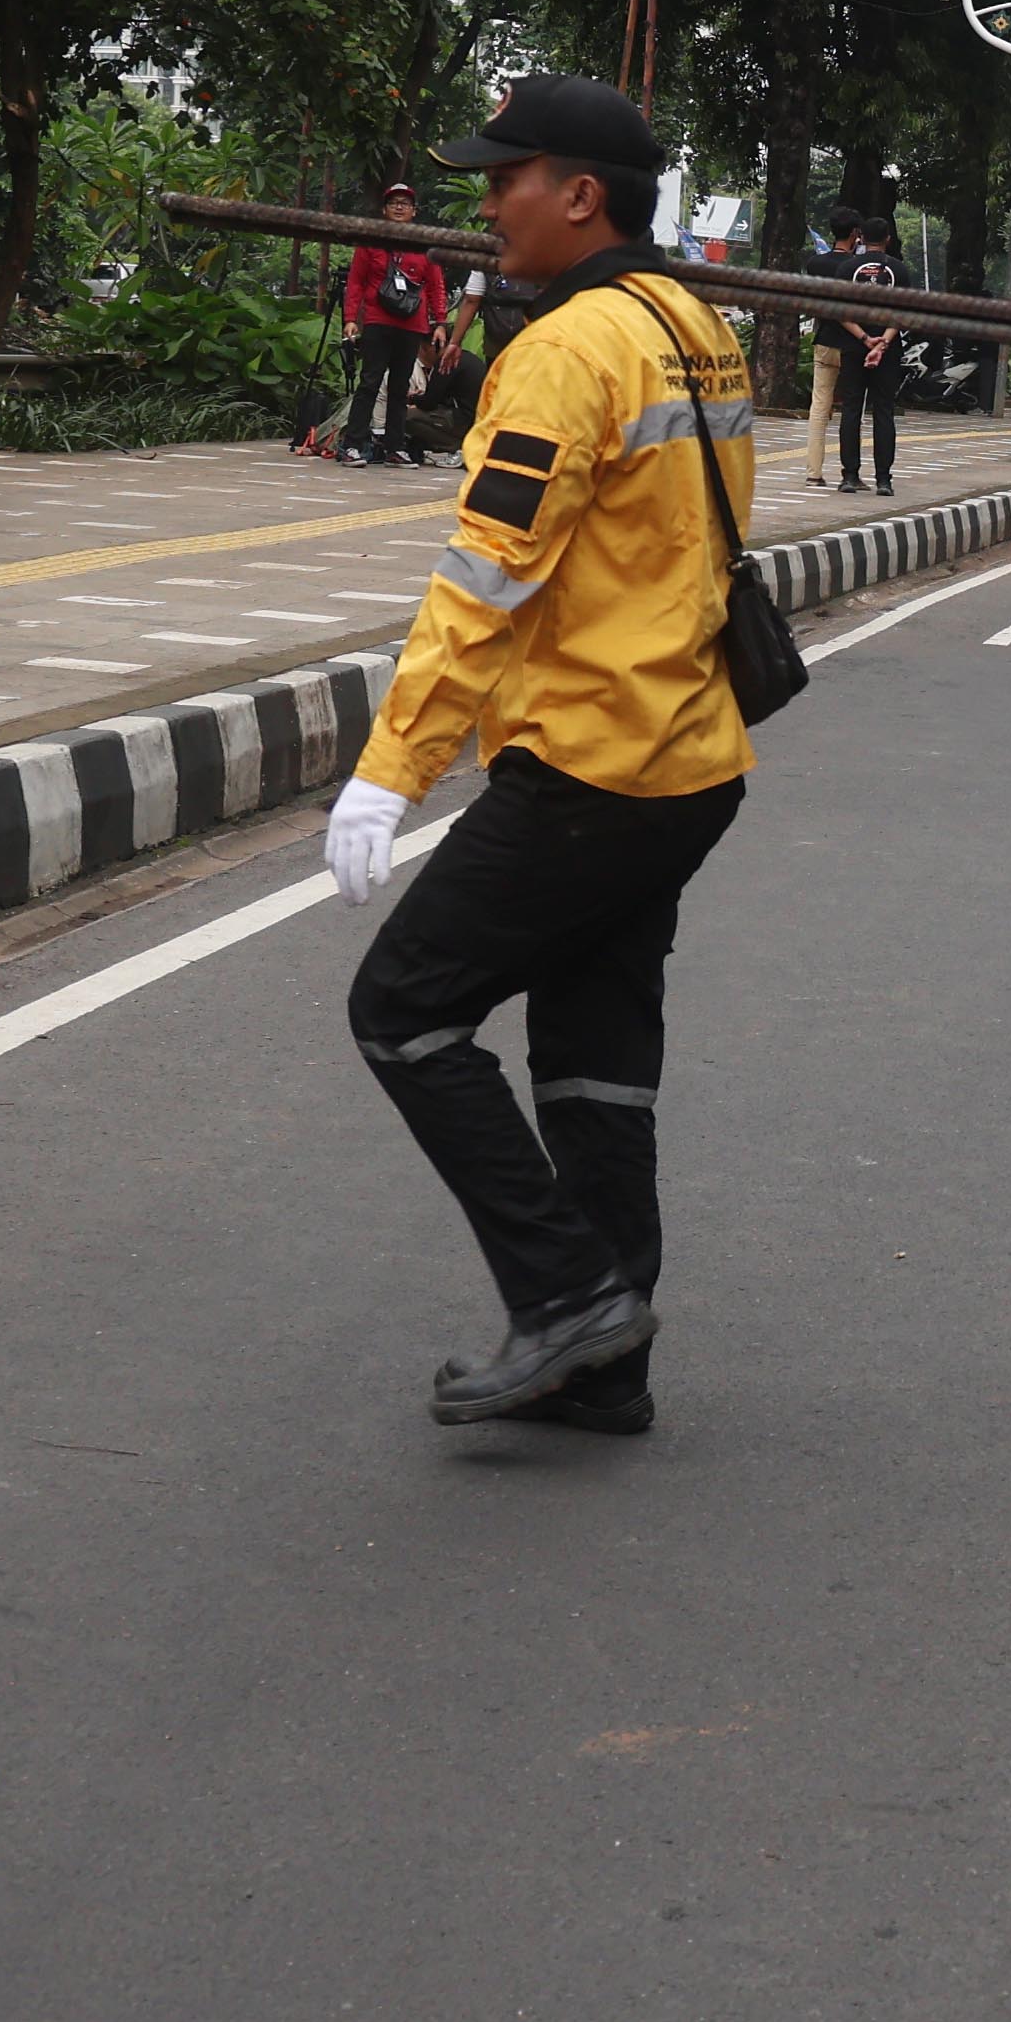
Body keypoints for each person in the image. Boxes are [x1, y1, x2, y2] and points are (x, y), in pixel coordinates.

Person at [324, 73, 761, 1436]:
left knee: (404, 1009)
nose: (486, 201)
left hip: (591, 761)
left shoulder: (569, 352)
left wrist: (391, 769)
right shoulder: (695, 325)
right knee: (592, 1054)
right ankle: (606, 1359)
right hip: (688, 753)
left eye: (506, 177)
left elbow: (486, 579)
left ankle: (569, 1295)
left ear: (581, 195)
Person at [333, 183, 448, 464]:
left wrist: (441, 322)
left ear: (413, 211)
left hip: (412, 324)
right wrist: (350, 319)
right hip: (377, 320)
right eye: (394, 203)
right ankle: (353, 445)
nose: (399, 207)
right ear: (385, 210)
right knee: (369, 382)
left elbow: (436, 285)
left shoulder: (423, 244)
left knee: (400, 387)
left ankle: (395, 447)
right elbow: (356, 282)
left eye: (405, 203)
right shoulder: (370, 240)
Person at [820, 207, 904, 495]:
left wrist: (865, 338)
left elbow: (839, 312)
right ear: (888, 239)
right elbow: (905, 313)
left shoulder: (846, 269)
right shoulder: (898, 269)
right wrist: (883, 342)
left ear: (861, 238)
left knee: (851, 410)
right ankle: (884, 480)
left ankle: (849, 475)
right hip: (888, 351)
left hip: (853, 347)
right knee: (884, 411)